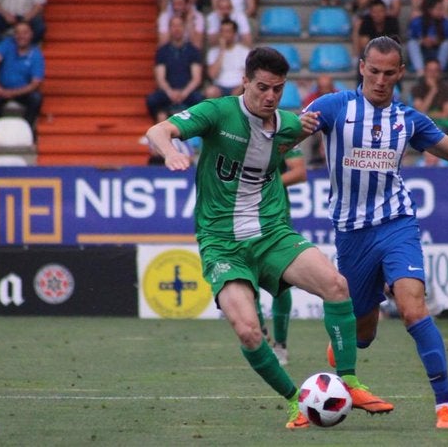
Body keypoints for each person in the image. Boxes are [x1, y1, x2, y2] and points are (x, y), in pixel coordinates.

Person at [145, 46, 393, 430]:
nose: (269, 97)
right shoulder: (218, 112)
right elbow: (158, 130)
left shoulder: (289, 125)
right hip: (222, 241)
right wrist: (169, 152)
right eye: (262, 87)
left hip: (271, 233)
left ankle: (350, 381)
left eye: (277, 89)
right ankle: (296, 402)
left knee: (336, 285)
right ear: (245, 80)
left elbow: (325, 128)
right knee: (247, 330)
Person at [302, 36, 448, 429]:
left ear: (401, 73)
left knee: (412, 307)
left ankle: (445, 406)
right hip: (351, 234)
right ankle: (335, 373)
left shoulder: (408, 120)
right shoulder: (334, 107)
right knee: (363, 333)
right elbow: (285, 135)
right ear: (361, 67)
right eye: (374, 71)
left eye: (389, 73)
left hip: (396, 222)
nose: (381, 80)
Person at [256, 146, 307, 366]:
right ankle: (260, 334)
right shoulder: (231, 128)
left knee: (281, 280)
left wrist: (263, 185)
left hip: (277, 219)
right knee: (245, 279)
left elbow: (299, 172)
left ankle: (280, 345)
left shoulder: (281, 129)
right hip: (238, 218)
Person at [0, 20, 44, 133]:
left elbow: (35, 84)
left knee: (36, 98)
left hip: (22, 92)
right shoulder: (7, 43)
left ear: (31, 34)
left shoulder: (36, 54)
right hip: (2, 88)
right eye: (18, 33)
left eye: (25, 33)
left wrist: (11, 93)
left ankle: (26, 130)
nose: (21, 36)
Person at [146, 16, 204, 123]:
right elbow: (160, 78)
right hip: (168, 92)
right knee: (151, 100)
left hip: (188, 92)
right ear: (169, 28)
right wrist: (170, 93)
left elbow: (196, 78)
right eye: (174, 26)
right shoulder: (162, 51)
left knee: (200, 99)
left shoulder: (193, 51)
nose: (177, 29)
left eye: (179, 25)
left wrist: (184, 93)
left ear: (184, 28)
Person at [203, 18, 250, 98]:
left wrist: (239, 89)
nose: (224, 34)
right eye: (222, 31)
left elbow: (247, 75)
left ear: (234, 34)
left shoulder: (245, 51)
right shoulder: (213, 52)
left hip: (238, 87)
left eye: (227, 31)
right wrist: (222, 51)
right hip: (219, 87)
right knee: (210, 91)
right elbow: (212, 75)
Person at [406, 0, 448, 74]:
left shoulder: (445, 22)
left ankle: (437, 71)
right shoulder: (417, 21)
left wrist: (437, 41)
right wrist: (422, 41)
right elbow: (411, 37)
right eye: (438, 9)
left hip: (437, 54)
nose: (441, 12)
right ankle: (420, 71)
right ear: (430, 10)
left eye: (442, 9)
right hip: (423, 54)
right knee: (411, 43)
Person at [411, 58, 448, 135]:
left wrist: (427, 114)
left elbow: (446, 114)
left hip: (440, 125)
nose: (433, 74)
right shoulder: (417, 88)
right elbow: (420, 112)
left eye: (436, 71)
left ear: (440, 73)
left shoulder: (447, 88)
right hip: (422, 124)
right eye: (430, 71)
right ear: (425, 72)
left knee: (439, 130)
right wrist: (433, 90)